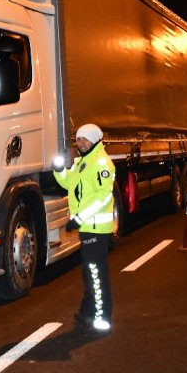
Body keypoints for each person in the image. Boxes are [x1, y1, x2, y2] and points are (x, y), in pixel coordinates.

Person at [52, 123, 116, 332]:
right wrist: (59, 170)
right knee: (90, 272)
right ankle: (88, 312)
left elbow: (103, 196)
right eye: (78, 139)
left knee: (96, 273)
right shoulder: (82, 162)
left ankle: (101, 317)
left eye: (85, 139)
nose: (81, 143)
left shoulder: (101, 162)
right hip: (88, 226)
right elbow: (68, 184)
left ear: (96, 139)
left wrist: (80, 217)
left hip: (96, 227)